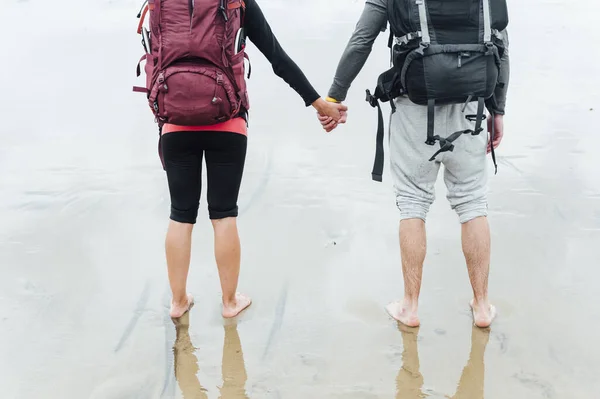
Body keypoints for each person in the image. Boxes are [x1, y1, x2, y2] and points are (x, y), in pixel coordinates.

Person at [145, 0, 347, 319]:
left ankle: (178, 301)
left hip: (174, 120)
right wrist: (318, 103)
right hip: (228, 120)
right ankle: (229, 302)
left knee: (180, 214)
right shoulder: (236, 1)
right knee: (223, 213)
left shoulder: (160, 2)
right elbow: (277, 59)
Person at [318, 0, 510, 328]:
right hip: (472, 106)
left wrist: (334, 97)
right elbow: (501, 47)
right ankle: (481, 305)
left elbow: (361, 39)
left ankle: (410, 306)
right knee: (472, 203)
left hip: (415, 107)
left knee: (413, 203)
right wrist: (499, 110)